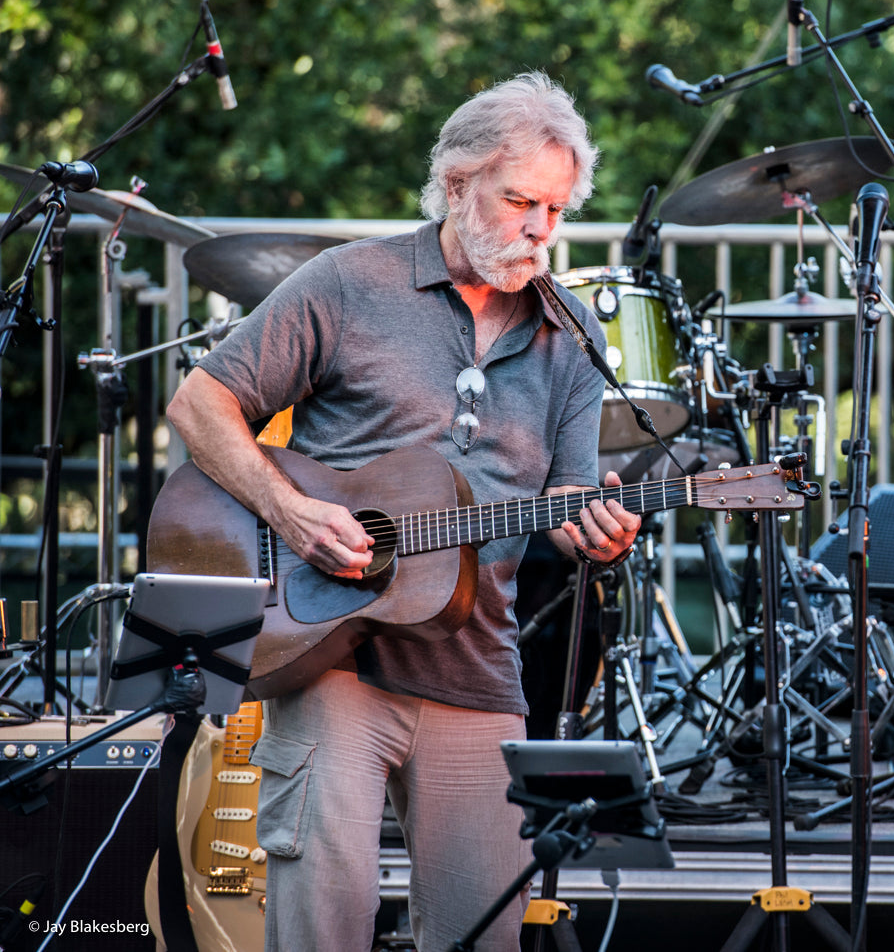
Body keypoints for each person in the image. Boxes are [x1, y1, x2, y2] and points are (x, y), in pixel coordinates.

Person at [166, 71, 641, 952]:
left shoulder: (572, 332)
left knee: (482, 934)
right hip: (330, 654)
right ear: (457, 185)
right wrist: (295, 511)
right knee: (321, 930)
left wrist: (595, 528)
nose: (541, 229)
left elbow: (571, 499)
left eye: (557, 208)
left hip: (478, 666)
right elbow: (200, 404)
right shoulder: (350, 282)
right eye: (521, 200)